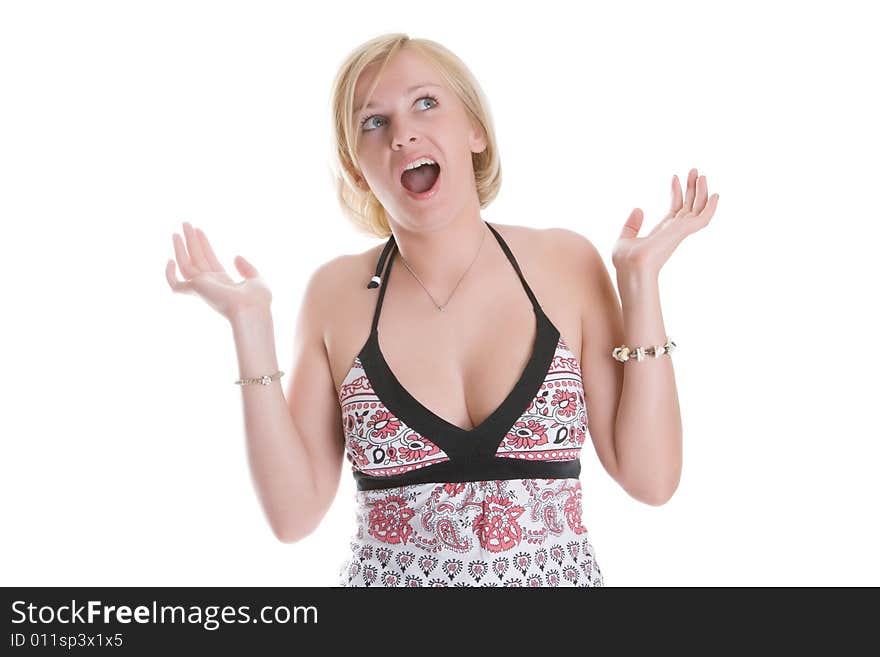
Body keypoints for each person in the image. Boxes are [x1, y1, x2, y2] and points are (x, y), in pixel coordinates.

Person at [166, 33, 718, 587]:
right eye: (373, 122)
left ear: (474, 130)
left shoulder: (565, 265)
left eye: (425, 103)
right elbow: (293, 517)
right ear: (357, 169)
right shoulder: (335, 296)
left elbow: (652, 480)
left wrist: (640, 283)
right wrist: (250, 325)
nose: (402, 133)